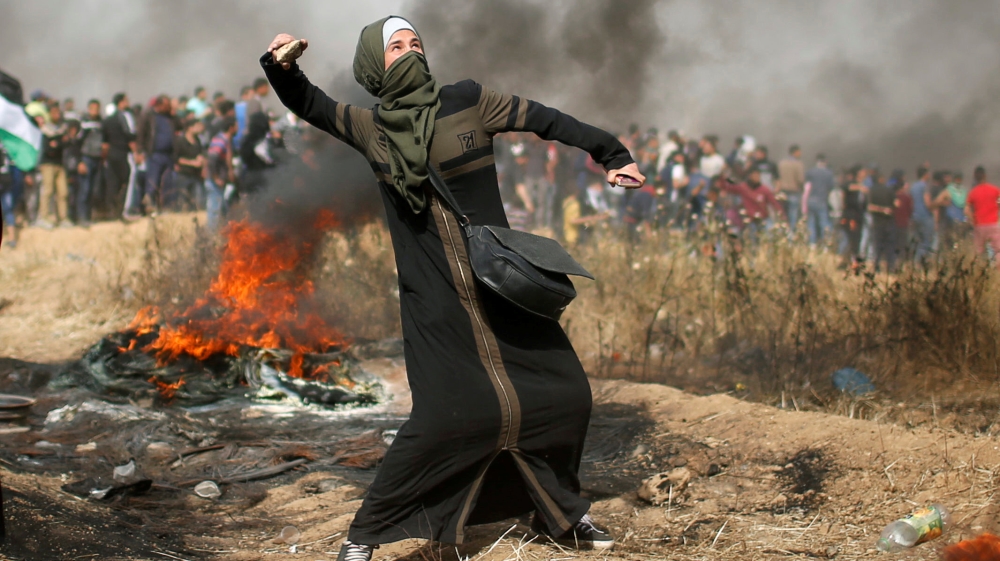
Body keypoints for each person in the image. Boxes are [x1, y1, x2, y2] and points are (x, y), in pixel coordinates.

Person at [263, 18, 644, 560]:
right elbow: (309, 103)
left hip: (501, 286)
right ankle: (365, 535)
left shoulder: (469, 101)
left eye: (415, 42)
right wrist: (282, 66)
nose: (410, 50)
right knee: (445, 417)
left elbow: (548, 119)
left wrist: (612, 153)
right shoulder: (370, 127)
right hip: (435, 297)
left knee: (566, 395)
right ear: (373, 64)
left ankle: (558, 512)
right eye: (396, 46)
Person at [130, 95, 176, 217]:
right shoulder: (149, 116)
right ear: (159, 105)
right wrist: (140, 152)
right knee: (152, 181)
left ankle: (166, 207)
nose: (168, 107)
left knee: (167, 182)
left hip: (168, 155)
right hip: (154, 154)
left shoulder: (170, 117)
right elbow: (141, 134)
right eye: (166, 105)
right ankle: (150, 206)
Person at [721, 168, 785, 239]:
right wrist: (722, 178)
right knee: (751, 237)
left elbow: (774, 202)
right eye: (755, 176)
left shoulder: (764, 189)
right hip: (751, 220)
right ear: (750, 176)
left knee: (770, 236)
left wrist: (782, 215)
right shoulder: (743, 187)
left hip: (763, 219)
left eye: (758, 176)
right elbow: (729, 188)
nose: (757, 178)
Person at [101, 92, 136, 219]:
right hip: (122, 153)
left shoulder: (107, 119)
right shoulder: (125, 117)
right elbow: (130, 136)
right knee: (126, 182)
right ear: (121, 102)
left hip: (111, 154)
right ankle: (122, 210)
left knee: (112, 183)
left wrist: (104, 157)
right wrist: (136, 152)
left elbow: (104, 142)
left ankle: (112, 211)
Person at [36, 103, 70, 228]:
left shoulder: (62, 128)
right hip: (48, 164)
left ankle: (63, 218)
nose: (57, 115)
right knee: (48, 191)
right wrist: (58, 143)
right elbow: (49, 149)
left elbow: (64, 144)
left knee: (63, 192)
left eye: (58, 112)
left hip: (60, 164)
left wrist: (57, 143)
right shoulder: (45, 130)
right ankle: (43, 217)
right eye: (54, 112)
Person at [964, 166, 1000, 267]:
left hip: (979, 225)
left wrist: (972, 220)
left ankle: (980, 270)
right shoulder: (994, 190)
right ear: (985, 176)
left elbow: (966, 210)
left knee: (979, 251)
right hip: (993, 224)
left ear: (975, 177)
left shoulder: (973, 192)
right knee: (998, 250)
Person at [206, 116, 236, 231]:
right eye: (236, 126)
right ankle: (211, 234)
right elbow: (212, 159)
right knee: (214, 209)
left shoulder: (227, 140)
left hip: (221, 180)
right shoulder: (220, 140)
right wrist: (216, 177)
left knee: (222, 208)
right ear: (231, 128)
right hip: (214, 180)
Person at [76, 99, 104, 226]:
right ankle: (82, 217)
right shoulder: (83, 123)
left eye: (97, 109)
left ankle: (89, 216)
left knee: (94, 190)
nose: (95, 111)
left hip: (97, 159)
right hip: (86, 158)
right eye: (92, 108)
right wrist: (80, 161)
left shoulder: (101, 123)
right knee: (84, 189)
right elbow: (77, 143)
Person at [173, 117, 206, 211]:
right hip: (184, 174)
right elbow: (177, 158)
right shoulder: (181, 141)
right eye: (197, 126)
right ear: (190, 128)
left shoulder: (198, 140)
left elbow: (201, 153)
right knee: (183, 199)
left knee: (198, 200)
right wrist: (192, 163)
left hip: (196, 175)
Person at [867, 169, 897, 272]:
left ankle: (877, 267)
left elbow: (870, 207)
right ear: (881, 179)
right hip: (888, 222)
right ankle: (890, 267)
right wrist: (887, 209)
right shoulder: (889, 190)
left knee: (877, 245)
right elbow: (897, 203)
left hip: (877, 222)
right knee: (889, 245)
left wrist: (880, 209)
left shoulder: (872, 191)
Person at [840, 166, 868, 269]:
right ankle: (846, 261)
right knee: (850, 240)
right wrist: (859, 187)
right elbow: (845, 187)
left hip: (859, 216)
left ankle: (854, 262)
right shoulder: (852, 184)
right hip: (850, 216)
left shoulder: (864, 186)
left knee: (857, 240)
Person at [802, 153, 834, 245]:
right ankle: (826, 243)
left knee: (811, 223)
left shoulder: (810, 172)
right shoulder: (829, 173)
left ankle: (812, 243)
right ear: (825, 161)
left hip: (810, 200)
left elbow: (806, 186)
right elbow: (831, 187)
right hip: (821, 200)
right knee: (823, 222)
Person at [933, 171, 968, 250]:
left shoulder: (950, 190)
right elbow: (937, 202)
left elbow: (936, 202)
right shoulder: (961, 191)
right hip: (955, 222)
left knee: (952, 243)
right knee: (954, 243)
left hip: (954, 221)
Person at [910, 166, 935, 262]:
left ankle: (916, 261)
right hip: (925, 216)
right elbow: (927, 203)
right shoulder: (924, 186)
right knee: (926, 241)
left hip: (915, 216)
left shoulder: (913, 186)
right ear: (925, 175)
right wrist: (935, 206)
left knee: (918, 241)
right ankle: (922, 261)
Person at [778, 144, 805, 230]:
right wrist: (802, 189)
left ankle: (782, 231)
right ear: (795, 152)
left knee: (783, 214)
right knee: (793, 214)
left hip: (783, 191)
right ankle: (791, 232)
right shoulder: (798, 164)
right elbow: (800, 179)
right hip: (793, 191)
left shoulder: (782, 163)